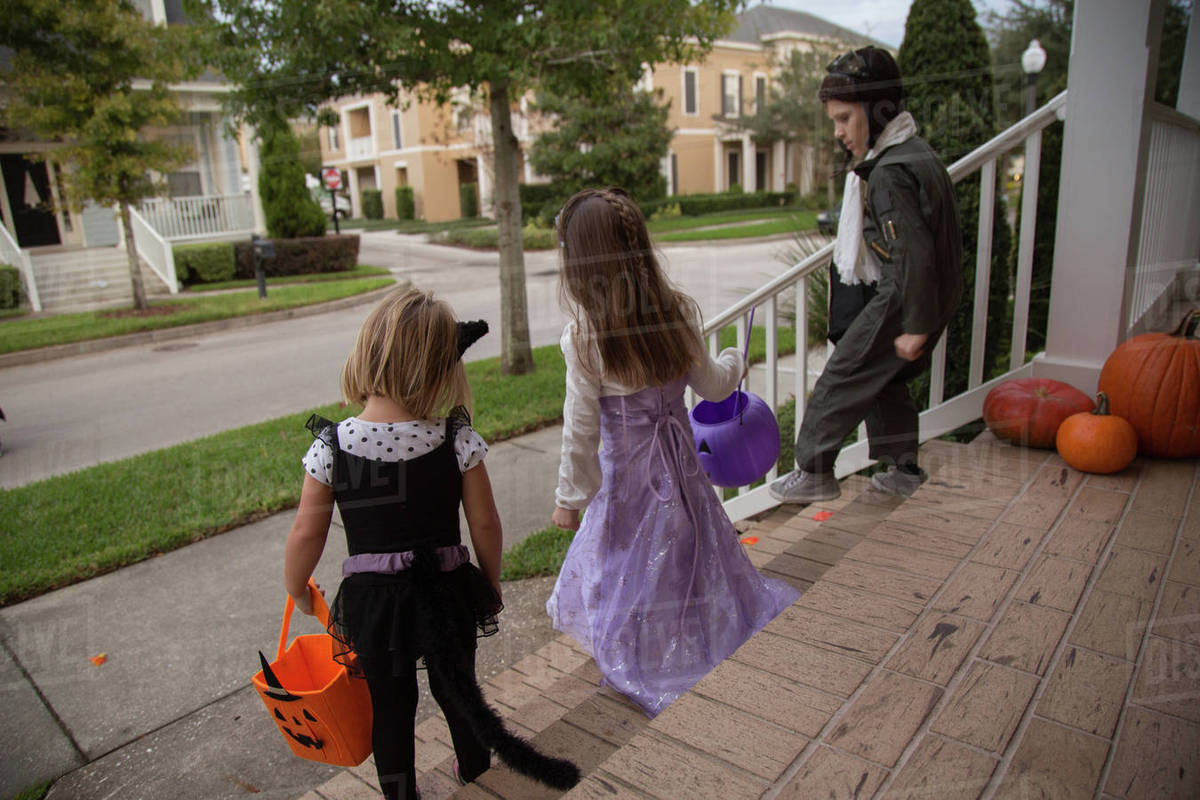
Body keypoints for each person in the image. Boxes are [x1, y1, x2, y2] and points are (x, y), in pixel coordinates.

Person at [284, 288, 578, 799]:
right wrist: (488, 581)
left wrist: (296, 587)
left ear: (367, 355)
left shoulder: (331, 446)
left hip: (376, 604)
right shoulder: (455, 440)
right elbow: (485, 523)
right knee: (458, 690)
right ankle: (477, 773)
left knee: (391, 709)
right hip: (446, 592)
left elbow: (306, 532)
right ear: (441, 370)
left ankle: (401, 794)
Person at [546, 188, 801, 718]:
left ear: (580, 264)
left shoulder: (585, 336)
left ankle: (640, 645)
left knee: (625, 561)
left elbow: (581, 428)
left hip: (628, 483)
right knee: (689, 545)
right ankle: (697, 628)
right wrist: (734, 360)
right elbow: (712, 387)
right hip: (681, 468)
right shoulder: (677, 312)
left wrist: (570, 498)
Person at [770, 46, 963, 504]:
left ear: (876, 112)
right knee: (884, 377)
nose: (838, 132)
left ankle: (814, 470)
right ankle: (904, 468)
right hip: (924, 293)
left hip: (904, 297)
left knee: (843, 373)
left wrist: (915, 324)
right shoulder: (913, 151)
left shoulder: (890, 174)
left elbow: (911, 253)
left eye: (843, 119)